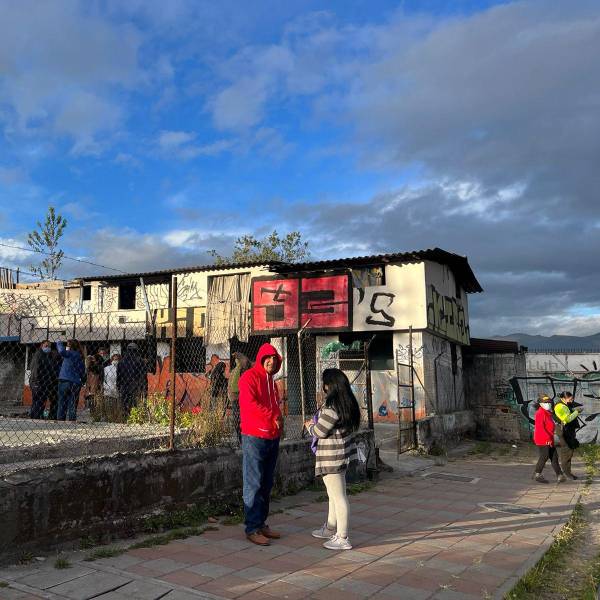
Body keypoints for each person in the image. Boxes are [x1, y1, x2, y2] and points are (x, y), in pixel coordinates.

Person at [305, 368, 360, 551]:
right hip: (341, 454)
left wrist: (310, 426)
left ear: (330, 385)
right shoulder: (346, 404)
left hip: (331, 456)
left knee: (338, 497)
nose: (323, 387)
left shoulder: (332, 407)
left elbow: (319, 431)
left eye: (325, 384)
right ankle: (330, 528)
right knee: (334, 495)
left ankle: (342, 537)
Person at [239, 343, 283, 546]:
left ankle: (261, 523)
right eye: (268, 358)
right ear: (261, 358)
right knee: (254, 483)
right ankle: (252, 528)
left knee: (266, 483)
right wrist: (273, 416)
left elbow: (275, 405)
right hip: (254, 437)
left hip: (272, 436)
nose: (271, 362)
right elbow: (250, 405)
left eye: (275, 359)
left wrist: (278, 420)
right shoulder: (249, 377)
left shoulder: (272, 382)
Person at [533, 394, 566, 484]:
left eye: (549, 402)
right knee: (544, 456)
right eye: (545, 403)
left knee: (554, 457)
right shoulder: (540, 413)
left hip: (548, 438)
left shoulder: (547, 413)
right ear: (540, 404)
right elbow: (540, 428)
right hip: (543, 439)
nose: (548, 404)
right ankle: (537, 474)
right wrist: (547, 439)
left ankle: (560, 475)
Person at [56, 339, 86, 421]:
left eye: (67, 345)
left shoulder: (69, 353)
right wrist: (82, 380)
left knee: (62, 403)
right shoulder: (79, 356)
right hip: (75, 382)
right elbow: (82, 371)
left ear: (70, 346)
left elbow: (61, 351)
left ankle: (60, 420)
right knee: (72, 403)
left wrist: (58, 342)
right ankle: (72, 421)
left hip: (64, 380)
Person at [554, 392, 581, 480]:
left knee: (570, 451)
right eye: (570, 399)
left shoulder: (565, 405)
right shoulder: (560, 406)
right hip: (564, 431)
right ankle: (566, 473)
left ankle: (567, 472)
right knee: (567, 451)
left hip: (568, 431)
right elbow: (567, 419)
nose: (572, 400)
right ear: (564, 398)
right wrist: (577, 412)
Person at [29, 340, 59, 419]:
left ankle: (35, 416)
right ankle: (36, 416)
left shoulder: (45, 355)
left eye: (49, 346)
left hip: (42, 382)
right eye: (46, 346)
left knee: (38, 401)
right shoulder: (39, 355)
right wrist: (38, 381)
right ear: (41, 345)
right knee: (39, 401)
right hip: (38, 382)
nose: (48, 348)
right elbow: (36, 369)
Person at [117, 343, 148, 415]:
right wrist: (143, 386)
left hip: (124, 385)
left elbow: (118, 375)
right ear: (136, 350)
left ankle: (125, 414)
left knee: (125, 402)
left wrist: (118, 385)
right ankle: (133, 415)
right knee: (134, 403)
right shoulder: (140, 361)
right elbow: (143, 374)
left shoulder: (121, 361)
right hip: (135, 384)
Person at [228, 352, 250, 441]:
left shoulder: (234, 371)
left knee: (237, 417)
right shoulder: (241, 370)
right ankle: (242, 437)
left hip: (235, 397)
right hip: (240, 397)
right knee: (241, 417)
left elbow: (230, 386)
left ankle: (240, 437)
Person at [102, 353, 121, 420]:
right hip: (108, 390)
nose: (115, 361)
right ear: (111, 360)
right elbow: (104, 380)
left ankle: (115, 418)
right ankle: (108, 418)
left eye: (117, 359)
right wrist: (106, 387)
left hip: (117, 390)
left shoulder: (121, 369)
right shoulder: (106, 368)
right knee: (108, 406)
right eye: (114, 359)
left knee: (116, 407)